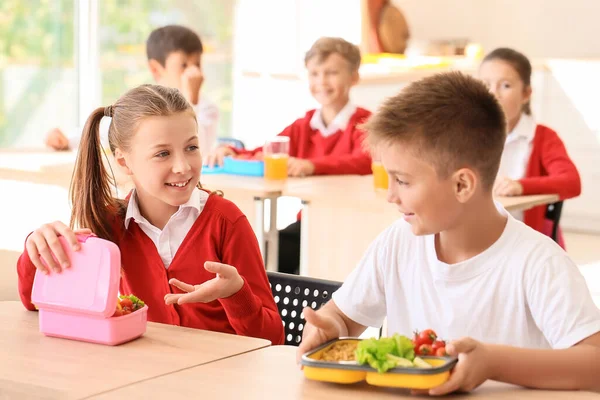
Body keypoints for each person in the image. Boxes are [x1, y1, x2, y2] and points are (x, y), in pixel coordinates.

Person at [297, 72, 600, 395]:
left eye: (402, 181)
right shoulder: (399, 241)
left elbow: (594, 364)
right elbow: (343, 315)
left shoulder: (538, 262)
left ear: (462, 185)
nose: (390, 195)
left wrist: (495, 362)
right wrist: (332, 326)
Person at [18, 84, 284, 345]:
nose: (182, 166)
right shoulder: (108, 224)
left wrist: (237, 293)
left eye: (191, 147)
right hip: (142, 379)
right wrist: (37, 251)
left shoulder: (226, 222)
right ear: (124, 161)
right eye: (163, 154)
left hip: (222, 382)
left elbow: (273, 339)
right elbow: (35, 304)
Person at [207, 37, 372, 275]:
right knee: (259, 256)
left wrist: (311, 165)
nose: (322, 81)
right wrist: (233, 151)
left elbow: (364, 160)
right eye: (314, 73)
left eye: (331, 73)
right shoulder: (304, 125)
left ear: (353, 77)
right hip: (310, 223)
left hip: (352, 224)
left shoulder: (366, 124)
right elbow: (268, 151)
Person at [45, 25, 219, 155]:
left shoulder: (206, 108)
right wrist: (68, 140)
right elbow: (108, 130)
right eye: (184, 65)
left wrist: (192, 100)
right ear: (156, 69)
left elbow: (199, 150)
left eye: (197, 63)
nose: (193, 71)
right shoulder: (144, 103)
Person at [480, 47, 581, 247]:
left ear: (526, 93)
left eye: (505, 85)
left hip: (524, 243)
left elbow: (571, 182)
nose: (493, 94)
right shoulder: (466, 136)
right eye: (485, 84)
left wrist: (521, 186)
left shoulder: (543, 137)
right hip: (479, 238)